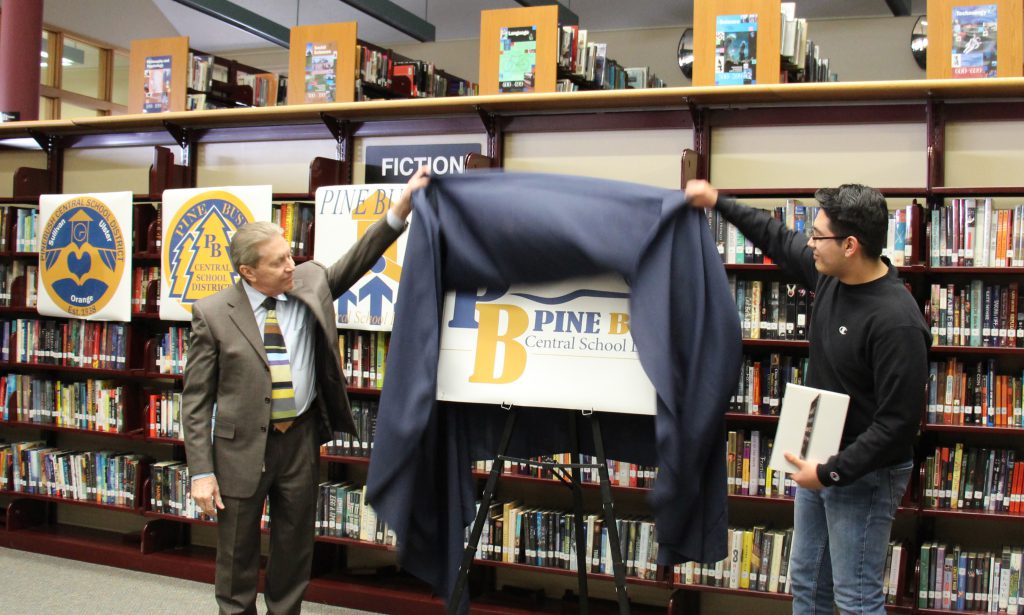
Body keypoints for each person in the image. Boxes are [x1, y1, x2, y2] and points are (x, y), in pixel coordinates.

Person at [183, 167, 430, 614]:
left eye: (288, 254)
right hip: (240, 450)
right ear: (248, 272)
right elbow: (196, 400)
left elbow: (357, 259)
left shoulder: (310, 281)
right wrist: (201, 471)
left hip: (298, 440)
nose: (290, 265)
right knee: (237, 558)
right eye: (277, 262)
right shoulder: (213, 313)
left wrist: (402, 208)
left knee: (294, 551)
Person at [685, 180, 929, 614]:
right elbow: (776, 237)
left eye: (819, 236)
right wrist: (716, 201)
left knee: (856, 597)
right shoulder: (829, 276)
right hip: (819, 459)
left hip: (864, 474)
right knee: (808, 583)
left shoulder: (896, 322)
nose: (810, 243)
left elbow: (897, 426)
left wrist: (832, 472)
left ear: (851, 245)